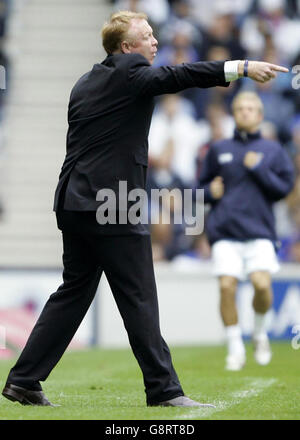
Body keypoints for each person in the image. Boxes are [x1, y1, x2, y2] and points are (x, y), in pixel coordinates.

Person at [2, 11, 288, 407]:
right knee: (138, 296)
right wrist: (240, 67)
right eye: (147, 35)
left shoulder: (87, 81)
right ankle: (164, 389)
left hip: (73, 200)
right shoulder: (131, 72)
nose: (155, 41)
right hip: (111, 202)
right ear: (127, 47)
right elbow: (178, 76)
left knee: (73, 293)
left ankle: (23, 381)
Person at [198, 91, 294, 371]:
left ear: (260, 115)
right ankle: (235, 345)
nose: (245, 112)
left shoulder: (273, 151)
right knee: (226, 286)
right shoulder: (218, 148)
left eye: (251, 108)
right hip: (224, 230)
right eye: (240, 108)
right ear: (234, 113)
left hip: (260, 230)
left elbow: (283, 190)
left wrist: (260, 168)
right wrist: (209, 192)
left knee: (262, 285)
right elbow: (200, 188)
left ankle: (260, 333)